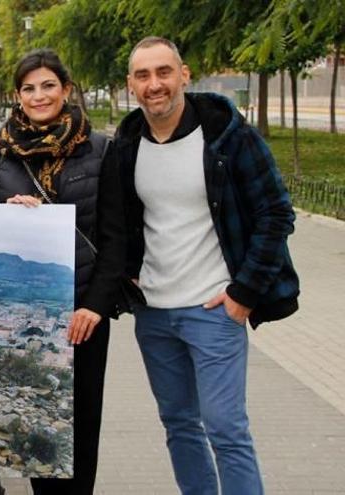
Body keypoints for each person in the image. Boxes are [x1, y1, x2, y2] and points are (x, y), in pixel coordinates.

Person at [117, 36, 299, 495]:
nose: (154, 84)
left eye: (163, 72)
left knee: (226, 430)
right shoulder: (126, 142)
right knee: (179, 425)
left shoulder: (228, 136)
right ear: (130, 85)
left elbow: (277, 213)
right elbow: (120, 218)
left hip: (214, 308)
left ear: (184, 74)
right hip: (154, 311)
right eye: (143, 75)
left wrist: (243, 294)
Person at [0, 49, 126, 494]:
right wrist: (9, 212)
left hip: (84, 315)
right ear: (17, 96)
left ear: (66, 89)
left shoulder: (99, 149)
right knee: (38, 422)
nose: (38, 96)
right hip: (27, 313)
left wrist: (95, 307)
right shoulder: (1, 153)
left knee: (81, 428)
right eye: (28, 88)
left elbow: (116, 237)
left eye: (47, 86)